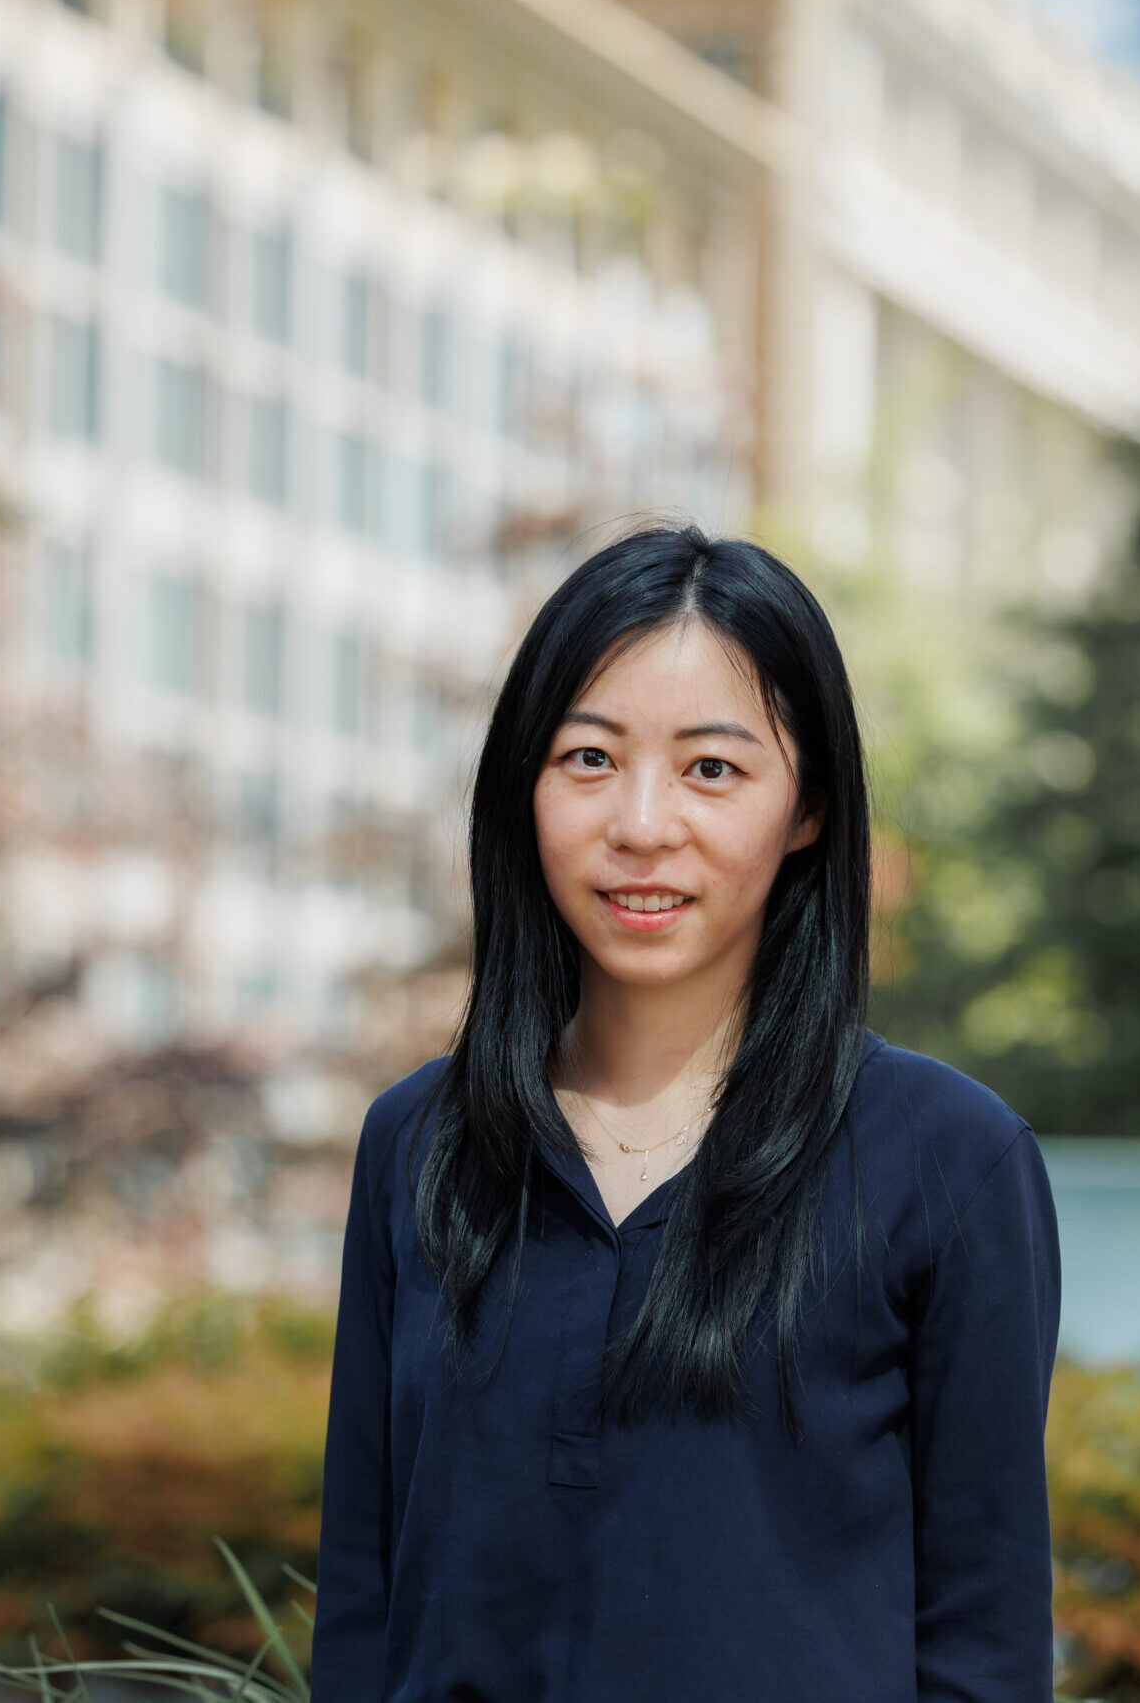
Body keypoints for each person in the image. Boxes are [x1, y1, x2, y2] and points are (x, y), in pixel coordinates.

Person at [310, 522, 1062, 1702]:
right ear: (526, 789)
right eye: (589, 758)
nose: (642, 825)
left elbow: (986, 1644)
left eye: (713, 769)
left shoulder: (951, 1163)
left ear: (808, 807)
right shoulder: (419, 1145)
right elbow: (361, 1603)